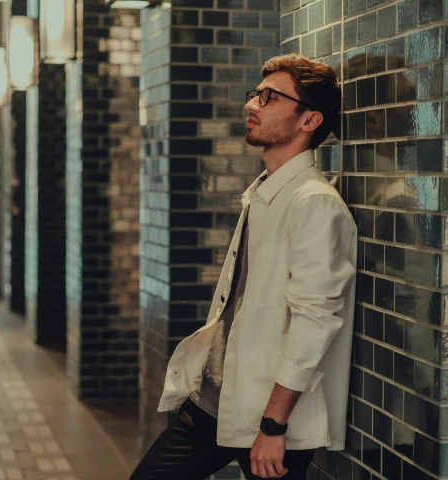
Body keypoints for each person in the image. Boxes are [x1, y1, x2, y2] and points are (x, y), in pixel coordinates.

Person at [129, 54, 357, 480]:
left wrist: (273, 425)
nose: (252, 105)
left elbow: (315, 321)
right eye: (256, 94)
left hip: (271, 421)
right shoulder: (265, 192)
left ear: (309, 120)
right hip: (217, 400)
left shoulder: (314, 203)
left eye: (270, 97)